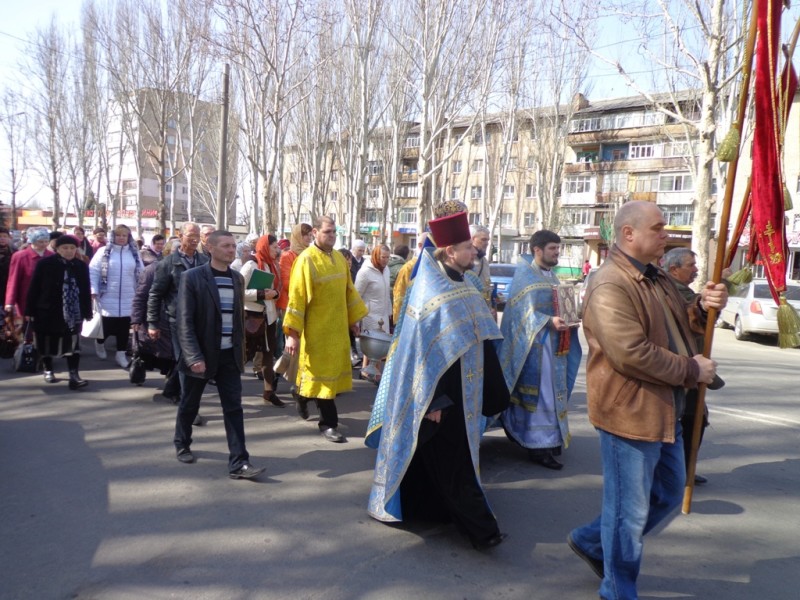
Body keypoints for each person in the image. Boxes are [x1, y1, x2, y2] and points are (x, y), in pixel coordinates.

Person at [567, 201, 727, 599]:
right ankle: (617, 589)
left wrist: (703, 308)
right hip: (630, 413)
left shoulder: (653, 276)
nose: (666, 236)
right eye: (658, 229)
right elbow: (631, 352)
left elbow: (680, 325)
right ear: (628, 234)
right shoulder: (609, 283)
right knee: (629, 513)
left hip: (663, 409)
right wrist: (692, 371)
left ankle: (591, 542)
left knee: (669, 493)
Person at [365, 203, 509, 550]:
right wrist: (434, 400)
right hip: (440, 394)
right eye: (467, 247)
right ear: (449, 250)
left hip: (467, 389)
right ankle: (482, 531)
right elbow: (421, 355)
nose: (474, 250)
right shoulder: (430, 290)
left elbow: (478, 336)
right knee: (451, 460)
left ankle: (426, 508)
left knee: (431, 455)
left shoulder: (464, 281)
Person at [173, 230, 265, 480]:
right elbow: (185, 321)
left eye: (233, 245)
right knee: (190, 403)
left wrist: (241, 353)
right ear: (210, 248)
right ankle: (182, 442)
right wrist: (193, 357)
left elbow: (236, 317)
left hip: (229, 357)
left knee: (233, 407)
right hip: (201, 355)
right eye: (225, 245)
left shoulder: (237, 278)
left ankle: (239, 461)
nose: (231, 249)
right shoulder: (192, 277)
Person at [497, 230, 582, 470]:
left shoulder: (551, 276)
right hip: (534, 349)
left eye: (558, 248)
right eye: (553, 248)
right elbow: (521, 315)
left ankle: (551, 438)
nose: (557, 253)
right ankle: (537, 445)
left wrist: (570, 317)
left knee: (554, 391)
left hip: (555, 346)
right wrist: (548, 321)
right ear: (537, 250)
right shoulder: (526, 277)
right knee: (541, 395)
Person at [283, 216, 368, 442]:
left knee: (329, 378)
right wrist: (292, 334)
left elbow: (349, 291)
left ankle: (300, 393)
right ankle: (328, 423)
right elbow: (297, 298)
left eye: (334, 233)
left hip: (338, 329)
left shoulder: (340, 258)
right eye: (328, 232)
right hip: (316, 331)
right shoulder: (306, 260)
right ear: (314, 233)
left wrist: (353, 320)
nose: (332, 236)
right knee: (323, 379)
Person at [664, 247, 715, 485]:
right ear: (673, 269)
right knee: (691, 418)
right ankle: (680, 473)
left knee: (694, 418)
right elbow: (690, 315)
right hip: (682, 366)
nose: (695, 270)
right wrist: (704, 303)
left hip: (691, 365)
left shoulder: (681, 289)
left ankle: (684, 470)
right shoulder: (673, 290)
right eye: (690, 266)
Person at [147, 223, 208, 409]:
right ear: (180, 236)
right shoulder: (168, 263)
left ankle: (172, 389)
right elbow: (155, 294)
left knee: (193, 360)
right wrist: (152, 323)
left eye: (197, 235)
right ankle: (188, 405)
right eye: (190, 234)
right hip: (177, 320)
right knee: (186, 360)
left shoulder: (205, 261)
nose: (194, 238)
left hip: (201, 319)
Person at [25, 235, 92, 389]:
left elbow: (85, 290)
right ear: (57, 249)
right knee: (46, 341)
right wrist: (29, 310)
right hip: (48, 311)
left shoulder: (80, 265)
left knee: (73, 344)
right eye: (65, 248)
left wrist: (87, 311)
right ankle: (48, 369)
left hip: (73, 313)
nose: (69, 251)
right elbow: (34, 288)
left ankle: (74, 375)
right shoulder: (45, 264)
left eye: (72, 248)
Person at [88, 224, 143, 368]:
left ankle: (121, 354)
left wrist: (141, 292)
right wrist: (93, 290)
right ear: (113, 236)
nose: (121, 238)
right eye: (118, 235)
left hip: (128, 296)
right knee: (106, 326)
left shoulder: (134, 253)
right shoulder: (103, 252)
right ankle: (99, 343)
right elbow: (93, 271)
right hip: (107, 295)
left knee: (124, 327)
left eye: (124, 235)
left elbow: (141, 273)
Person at [131, 242, 179, 399]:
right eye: (174, 251)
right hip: (154, 319)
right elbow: (141, 295)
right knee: (150, 352)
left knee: (174, 355)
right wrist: (136, 319)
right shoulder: (152, 269)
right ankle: (139, 367)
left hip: (175, 320)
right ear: (166, 252)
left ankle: (172, 386)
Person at [240, 234, 284, 406]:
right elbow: (239, 291)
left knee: (268, 355)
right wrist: (261, 294)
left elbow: (273, 290)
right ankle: (229, 389)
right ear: (265, 247)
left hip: (268, 318)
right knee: (244, 355)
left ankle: (268, 391)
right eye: (274, 247)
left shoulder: (271, 265)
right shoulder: (251, 264)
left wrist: (275, 294)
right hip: (252, 317)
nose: (277, 250)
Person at [354, 244, 391, 381]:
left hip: (383, 312)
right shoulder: (365, 272)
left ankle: (375, 372)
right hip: (369, 312)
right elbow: (356, 295)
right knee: (371, 342)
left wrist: (389, 311)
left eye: (388, 257)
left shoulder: (386, 270)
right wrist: (357, 317)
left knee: (382, 344)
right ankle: (367, 371)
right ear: (376, 255)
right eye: (383, 257)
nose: (385, 260)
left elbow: (387, 292)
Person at [5, 228, 53, 328]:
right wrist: (10, 302)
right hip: (25, 299)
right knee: (27, 330)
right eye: (40, 241)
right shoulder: (20, 256)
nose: (43, 244)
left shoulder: (51, 256)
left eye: (46, 241)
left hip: (47, 299)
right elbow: (13, 279)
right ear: (32, 241)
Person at [392, 233, 429, 325]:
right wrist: (399, 322)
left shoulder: (435, 266)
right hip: (410, 319)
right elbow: (399, 295)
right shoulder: (408, 268)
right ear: (420, 245)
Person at [469, 225, 493, 310]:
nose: (486, 243)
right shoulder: (466, 261)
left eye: (487, 240)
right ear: (472, 239)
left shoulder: (484, 261)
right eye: (483, 239)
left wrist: (493, 298)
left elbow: (486, 285)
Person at [0, 227, 16, 320]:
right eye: (0, 236)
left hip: (8, 290)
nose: (2, 238)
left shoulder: (15, 253)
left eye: (4, 236)